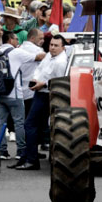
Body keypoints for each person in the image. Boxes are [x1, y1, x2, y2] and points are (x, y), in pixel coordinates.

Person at [18, 34, 68, 170]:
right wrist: (35, 80)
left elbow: (59, 82)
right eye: (51, 45)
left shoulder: (61, 62)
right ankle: (26, 157)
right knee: (33, 126)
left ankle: (31, 160)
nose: (52, 48)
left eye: (56, 45)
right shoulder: (48, 56)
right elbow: (39, 70)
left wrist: (43, 84)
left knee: (29, 125)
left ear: (63, 48)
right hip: (39, 92)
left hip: (48, 95)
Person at [0, 31, 45, 163]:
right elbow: (38, 57)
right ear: (11, 40)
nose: (18, 42)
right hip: (14, 93)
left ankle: (2, 151)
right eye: (16, 39)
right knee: (19, 122)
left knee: (1, 122)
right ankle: (21, 151)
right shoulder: (15, 52)